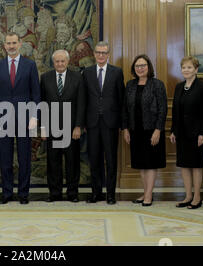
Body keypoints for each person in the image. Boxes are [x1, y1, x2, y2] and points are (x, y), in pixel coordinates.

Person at [0, 32, 41, 204]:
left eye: (14, 43)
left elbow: (36, 93)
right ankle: (7, 193)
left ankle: (24, 193)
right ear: (4, 45)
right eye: (8, 43)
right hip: (3, 119)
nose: (11, 46)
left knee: (24, 157)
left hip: (25, 118)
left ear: (20, 44)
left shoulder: (30, 65)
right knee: (5, 157)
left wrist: (34, 116)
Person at [40, 49, 85, 202]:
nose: (60, 64)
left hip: (71, 128)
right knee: (53, 162)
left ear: (68, 61)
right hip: (52, 128)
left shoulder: (77, 77)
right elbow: (43, 104)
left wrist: (78, 126)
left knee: (72, 162)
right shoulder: (45, 78)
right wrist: (43, 127)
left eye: (62, 61)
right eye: (57, 61)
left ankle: (72, 193)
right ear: (54, 63)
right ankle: (55, 193)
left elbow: (81, 104)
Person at [122, 54, 167, 207]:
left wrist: (158, 130)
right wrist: (125, 129)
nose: (140, 68)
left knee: (151, 163)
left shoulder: (157, 84)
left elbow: (163, 109)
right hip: (135, 130)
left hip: (151, 130)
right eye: (137, 66)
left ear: (149, 67)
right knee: (140, 163)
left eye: (143, 65)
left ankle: (148, 195)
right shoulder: (130, 85)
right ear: (134, 69)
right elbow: (125, 109)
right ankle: (145, 192)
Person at [82, 41, 124, 205]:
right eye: (98, 52)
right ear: (94, 54)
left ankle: (111, 194)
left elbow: (121, 100)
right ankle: (96, 193)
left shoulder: (117, 72)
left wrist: (122, 124)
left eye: (104, 52)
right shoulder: (87, 72)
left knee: (111, 160)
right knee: (94, 160)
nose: (101, 55)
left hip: (110, 123)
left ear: (108, 54)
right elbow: (83, 100)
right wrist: (82, 122)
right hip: (92, 123)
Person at [169, 56, 203, 209]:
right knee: (184, 165)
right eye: (184, 68)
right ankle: (188, 196)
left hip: (197, 134)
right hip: (181, 133)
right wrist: (173, 130)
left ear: (196, 69)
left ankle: (197, 197)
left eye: (189, 67)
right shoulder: (179, 87)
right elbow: (175, 111)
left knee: (196, 165)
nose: (186, 70)